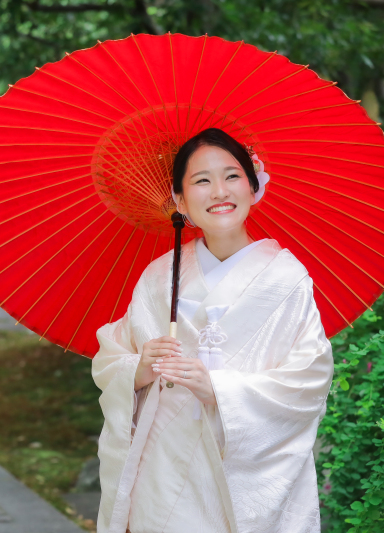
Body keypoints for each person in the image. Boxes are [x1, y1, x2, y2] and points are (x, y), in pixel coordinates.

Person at [92, 128, 334, 533]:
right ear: (181, 200)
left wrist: (220, 390)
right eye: (201, 181)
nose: (219, 191)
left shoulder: (288, 279)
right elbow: (111, 356)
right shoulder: (158, 278)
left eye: (232, 176)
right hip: (163, 469)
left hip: (243, 469)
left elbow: (308, 380)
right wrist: (139, 368)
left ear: (254, 186)